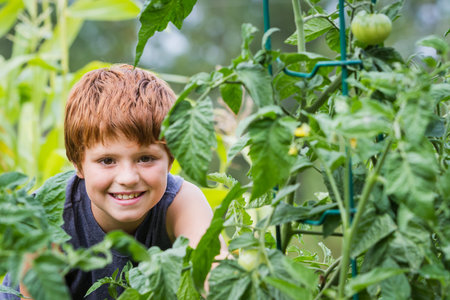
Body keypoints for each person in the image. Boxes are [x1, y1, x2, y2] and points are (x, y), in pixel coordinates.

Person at [0, 64, 217, 299]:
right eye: (107, 160)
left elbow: (214, 271)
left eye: (146, 158)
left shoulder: (182, 203)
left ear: (170, 158)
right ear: (78, 163)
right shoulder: (46, 216)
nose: (127, 178)